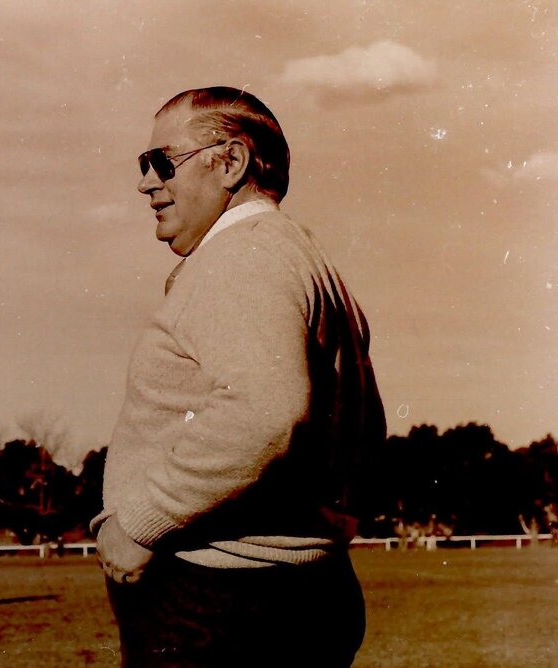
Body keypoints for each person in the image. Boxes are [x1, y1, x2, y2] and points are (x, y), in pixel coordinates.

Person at [94, 86, 386, 666]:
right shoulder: (301, 259)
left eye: (161, 162)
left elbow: (264, 410)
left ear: (229, 162)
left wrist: (142, 523)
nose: (145, 183)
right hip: (294, 592)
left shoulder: (242, 256)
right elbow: (364, 428)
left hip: (219, 602)